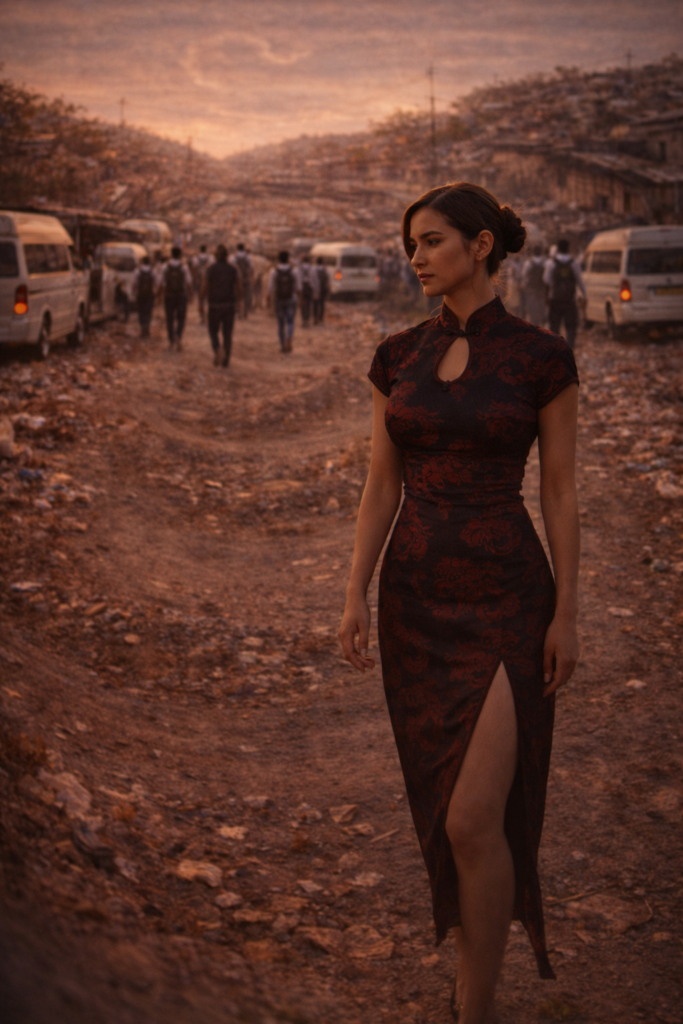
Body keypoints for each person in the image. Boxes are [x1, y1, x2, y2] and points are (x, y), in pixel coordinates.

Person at [339, 182, 579, 1024]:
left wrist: (568, 612)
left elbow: (558, 491)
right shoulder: (395, 355)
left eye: (432, 241)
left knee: (478, 817)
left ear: (481, 247)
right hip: (413, 604)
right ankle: (471, 977)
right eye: (410, 244)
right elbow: (379, 484)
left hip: (509, 600)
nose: (416, 257)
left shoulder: (541, 357)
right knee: (446, 814)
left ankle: (474, 1004)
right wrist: (354, 592)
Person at [202, 244, 242, 367]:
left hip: (214, 305)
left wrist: (200, 302)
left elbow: (204, 287)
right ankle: (226, 361)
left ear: (215, 256)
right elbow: (239, 288)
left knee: (213, 331)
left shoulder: (210, 269)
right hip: (229, 305)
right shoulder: (233, 269)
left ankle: (217, 348)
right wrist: (239, 302)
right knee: (227, 334)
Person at [543, 239, 586, 350]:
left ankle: (555, 350)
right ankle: (569, 350)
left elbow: (546, 281)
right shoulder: (574, 263)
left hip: (555, 300)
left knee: (554, 326)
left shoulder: (552, 263)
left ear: (557, 249)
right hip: (569, 300)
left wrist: (547, 297)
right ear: (568, 248)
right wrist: (585, 295)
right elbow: (580, 281)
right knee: (571, 327)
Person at [267, 251, 300, 353]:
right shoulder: (294, 272)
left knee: (281, 324)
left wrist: (268, 300)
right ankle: (289, 337)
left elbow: (270, 288)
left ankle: (282, 345)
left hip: (279, 300)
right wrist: (300, 300)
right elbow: (298, 288)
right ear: (288, 259)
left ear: (278, 259)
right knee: (290, 321)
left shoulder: (274, 272)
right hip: (291, 299)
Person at [162, 247, 193, 350]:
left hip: (169, 295)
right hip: (181, 295)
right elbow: (188, 283)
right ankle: (178, 336)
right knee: (181, 318)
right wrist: (191, 295)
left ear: (171, 254)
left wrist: (160, 296)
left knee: (169, 319)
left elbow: (162, 283)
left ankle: (171, 340)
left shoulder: (166, 267)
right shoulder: (184, 267)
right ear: (180, 255)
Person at [521, 244, 548, 326]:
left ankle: (534, 323)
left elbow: (524, 275)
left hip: (531, 288)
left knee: (532, 306)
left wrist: (524, 285)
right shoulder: (546, 262)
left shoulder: (528, 263)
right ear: (541, 252)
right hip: (542, 287)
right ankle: (542, 322)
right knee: (542, 305)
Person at [131, 255, 156, 338]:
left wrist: (133, 294)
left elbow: (135, 284)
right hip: (150, 294)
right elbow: (156, 284)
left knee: (141, 311)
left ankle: (142, 329)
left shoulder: (137, 271)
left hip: (140, 294)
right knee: (148, 312)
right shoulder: (153, 271)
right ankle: (147, 329)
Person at [232, 243, 254, 319]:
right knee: (246, 296)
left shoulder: (234, 257)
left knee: (237, 296)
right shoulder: (248, 257)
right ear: (244, 248)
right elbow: (251, 268)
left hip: (236, 280)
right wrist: (251, 277)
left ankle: (239, 312)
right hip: (246, 280)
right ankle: (245, 312)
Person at [192, 245, 213, 324]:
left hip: (199, 281)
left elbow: (194, 270)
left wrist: (195, 279)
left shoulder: (196, 259)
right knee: (209, 299)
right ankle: (208, 316)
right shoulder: (210, 258)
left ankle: (202, 317)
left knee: (200, 300)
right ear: (206, 249)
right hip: (208, 281)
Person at [298, 254, 319, 327]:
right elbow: (316, 281)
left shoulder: (299, 269)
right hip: (310, 288)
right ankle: (307, 321)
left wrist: (298, 290)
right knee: (309, 305)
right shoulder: (312, 269)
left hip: (302, 289)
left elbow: (298, 280)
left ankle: (304, 320)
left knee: (302, 304)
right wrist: (316, 291)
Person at [313, 256, 330, 324]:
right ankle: (321, 318)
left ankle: (315, 318)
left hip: (315, 289)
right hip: (323, 289)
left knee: (315, 304)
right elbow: (328, 280)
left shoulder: (313, 270)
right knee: (322, 304)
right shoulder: (326, 270)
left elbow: (312, 280)